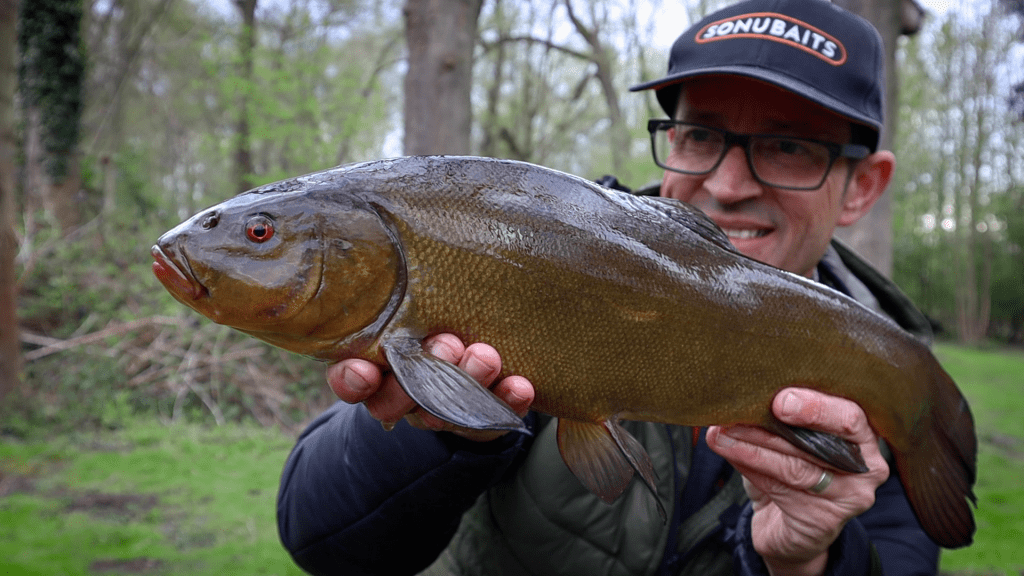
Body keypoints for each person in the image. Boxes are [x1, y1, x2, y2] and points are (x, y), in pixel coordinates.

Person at [276, 0, 941, 574]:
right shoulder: (531, 255)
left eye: (787, 147)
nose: (729, 186)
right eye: (701, 134)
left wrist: (807, 562)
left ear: (862, 186)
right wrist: (446, 425)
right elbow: (318, 539)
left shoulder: (890, 376)